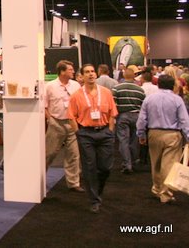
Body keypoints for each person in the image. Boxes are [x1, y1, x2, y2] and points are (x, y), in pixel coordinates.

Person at [68, 64, 118, 213]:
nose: (91, 74)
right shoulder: (76, 95)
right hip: (86, 134)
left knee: (105, 167)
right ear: (81, 76)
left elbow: (112, 113)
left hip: (105, 133)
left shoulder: (106, 92)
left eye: (92, 71)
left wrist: (110, 130)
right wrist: (78, 133)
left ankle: (97, 191)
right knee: (89, 168)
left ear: (96, 74)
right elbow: (71, 116)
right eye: (87, 72)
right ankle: (94, 200)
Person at [136, 74, 189, 203]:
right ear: (173, 85)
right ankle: (165, 194)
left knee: (156, 163)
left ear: (158, 84)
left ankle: (156, 189)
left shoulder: (149, 99)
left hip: (153, 133)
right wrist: (188, 136)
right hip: (172, 135)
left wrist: (141, 134)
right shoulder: (177, 100)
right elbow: (184, 121)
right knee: (168, 165)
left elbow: (142, 119)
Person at [44, 60, 84, 192]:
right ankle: (39, 180)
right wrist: (50, 120)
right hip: (56, 123)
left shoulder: (76, 85)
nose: (73, 72)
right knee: (49, 154)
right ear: (62, 72)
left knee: (74, 154)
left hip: (72, 124)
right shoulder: (50, 86)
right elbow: (44, 106)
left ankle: (74, 183)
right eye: (70, 69)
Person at [112, 68, 146, 174]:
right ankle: (134, 161)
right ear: (134, 76)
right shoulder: (140, 90)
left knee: (123, 141)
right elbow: (143, 106)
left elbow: (113, 104)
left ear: (123, 75)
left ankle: (127, 164)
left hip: (122, 116)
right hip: (136, 117)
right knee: (134, 142)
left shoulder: (117, 88)